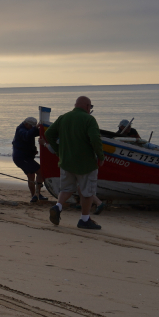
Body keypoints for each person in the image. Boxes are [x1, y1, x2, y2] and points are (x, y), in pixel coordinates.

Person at [44, 96, 105, 230]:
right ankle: (84, 219)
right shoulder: (89, 119)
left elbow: (48, 133)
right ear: (88, 106)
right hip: (86, 164)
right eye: (91, 107)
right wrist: (100, 156)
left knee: (66, 189)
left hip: (66, 161)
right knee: (87, 192)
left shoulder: (63, 117)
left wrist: (59, 150)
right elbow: (95, 139)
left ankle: (57, 207)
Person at [12, 117, 43, 202]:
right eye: (32, 127)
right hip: (22, 158)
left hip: (23, 157)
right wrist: (35, 128)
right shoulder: (21, 130)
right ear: (26, 124)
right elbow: (27, 135)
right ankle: (37, 194)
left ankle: (34, 196)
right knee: (41, 171)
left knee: (31, 175)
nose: (33, 128)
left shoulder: (28, 129)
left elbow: (34, 133)